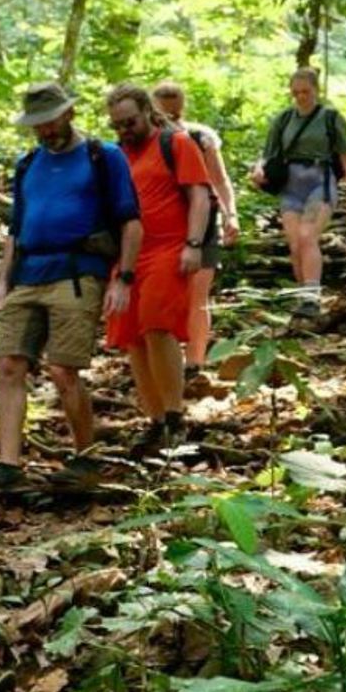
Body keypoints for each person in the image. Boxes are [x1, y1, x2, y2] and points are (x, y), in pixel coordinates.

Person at [0, 82, 142, 494]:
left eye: (50, 121)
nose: (45, 130)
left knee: (63, 369)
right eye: (37, 124)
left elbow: (130, 222)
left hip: (78, 273)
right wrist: (2, 281)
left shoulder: (103, 156)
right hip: (27, 275)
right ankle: (8, 466)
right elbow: (15, 229)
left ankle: (85, 459)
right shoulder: (28, 164)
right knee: (9, 366)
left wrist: (123, 277)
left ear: (69, 114)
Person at [105, 83, 212, 453]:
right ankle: (155, 422)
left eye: (130, 122)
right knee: (131, 335)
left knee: (157, 326)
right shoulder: (117, 155)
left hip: (168, 249)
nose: (124, 130)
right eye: (117, 125)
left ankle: (174, 415)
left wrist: (193, 244)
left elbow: (199, 195)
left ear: (147, 113)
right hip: (127, 256)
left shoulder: (176, 143)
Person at [250, 68, 346, 319]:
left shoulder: (331, 118)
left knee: (307, 235)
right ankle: (303, 299)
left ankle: (312, 297)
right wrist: (259, 169)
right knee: (295, 243)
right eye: (296, 92)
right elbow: (268, 154)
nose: (301, 97)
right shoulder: (284, 119)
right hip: (291, 186)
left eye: (306, 92)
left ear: (316, 90)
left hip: (320, 182)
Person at [151, 80, 239, 382]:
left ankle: (195, 363)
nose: (169, 121)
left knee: (197, 294)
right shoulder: (143, 142)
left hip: (204, 223)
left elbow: (219, 180)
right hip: (163, 226)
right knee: (166, 296)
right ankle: (168, 362)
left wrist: (231, 214)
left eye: (174, 115)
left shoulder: (201, 138)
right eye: (162, 116)